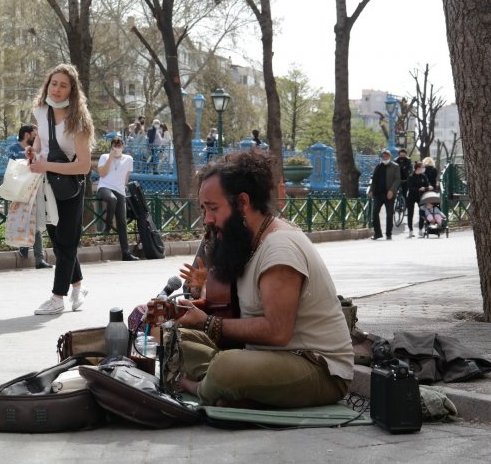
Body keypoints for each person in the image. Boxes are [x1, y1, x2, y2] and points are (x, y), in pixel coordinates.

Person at [150, 148, 352, 408]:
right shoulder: (249, 240)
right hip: (266, 359)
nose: (207, 219)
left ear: (242, 203)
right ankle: (228, 390)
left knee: (226, 367)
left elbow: (277, 332)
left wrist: (209, 324)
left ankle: (202, 387)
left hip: (318, 369)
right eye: (203, 209)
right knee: (172, 337)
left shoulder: (280, 248)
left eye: (213, 208)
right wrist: (192, 315)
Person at [26, 64, 94, 315]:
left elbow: (84, 165)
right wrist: (33, 150)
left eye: (63, 85)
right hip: (45, 181)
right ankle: (78, 286)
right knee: (59, 242)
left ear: (72, 90)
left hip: (69, 186)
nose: (56, 89)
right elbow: (42, 139)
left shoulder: (79, 122)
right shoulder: (41, 110)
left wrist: (47, 163)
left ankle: (57, 298)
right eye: (53, 83)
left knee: (66, 241)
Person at [9, 124, 52, 269]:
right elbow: (13, 169)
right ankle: (23, 248)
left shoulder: (37, 150)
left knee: (37, 223)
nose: (36, 136)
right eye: (34, 134)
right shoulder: (14, 149)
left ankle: (39, 259)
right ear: (27, 135)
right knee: (23, 220)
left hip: (36, 189)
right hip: (21, 190)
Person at [97, 136, 138, 261]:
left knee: (122, 222)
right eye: (115, 145)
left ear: (123, 146)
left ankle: (126, 253)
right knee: (112, 199)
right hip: (105, 187)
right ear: (111, 147)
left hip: (120, 190)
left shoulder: (128, 159)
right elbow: (102, 173)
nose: (117, 147)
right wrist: (111, 156)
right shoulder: (104, 157)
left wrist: (124, 188)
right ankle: (107, 226)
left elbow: (126, 176)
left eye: (119, 145)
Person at [367, 149, 400, 240]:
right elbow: (374, 180)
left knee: (389, 214)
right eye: (383, 156)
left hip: (389, 194)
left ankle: (388, 234)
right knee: (374, 213)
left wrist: (392, 190)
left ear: (390, 157)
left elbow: (397, 180)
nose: (385, 157)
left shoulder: (395, 166)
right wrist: (371, 190)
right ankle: (377, 233)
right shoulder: (378, 166)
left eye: (386, 156)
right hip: (378, 194)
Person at [407, 162, 432, 238]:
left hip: (420, 197)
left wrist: (428, 187)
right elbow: (410, 188)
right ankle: (410, 230)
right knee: (410, 213)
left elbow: (427, 184)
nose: (423, 168)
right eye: (422, 167)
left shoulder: (423, 176)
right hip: (411, 196)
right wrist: (419, 189)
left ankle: (420, 229)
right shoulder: (411, 176)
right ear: (418, 168)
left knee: (422, 212)